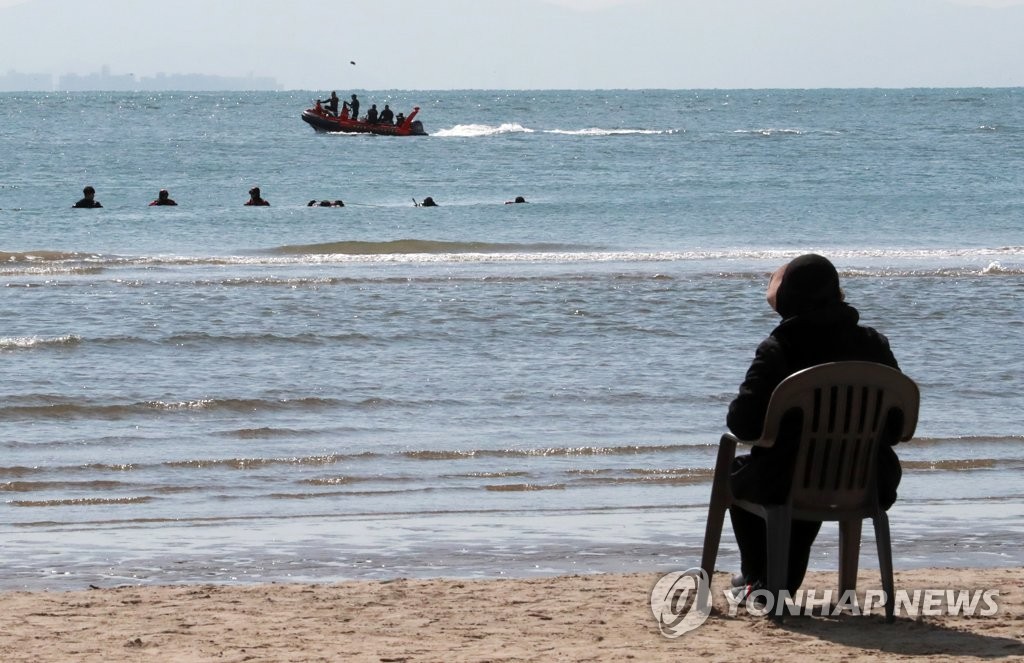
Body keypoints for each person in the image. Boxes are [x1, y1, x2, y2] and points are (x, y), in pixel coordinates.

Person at [726, 254, 902, 598]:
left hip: (788, 482)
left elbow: (743, 425)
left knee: (740, 474)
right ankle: (764, 581)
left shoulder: (779, 349)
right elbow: (895, 428)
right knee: (810, 470)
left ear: (789, 299)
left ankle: (759, 578)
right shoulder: (873, 344)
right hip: (869, 480)